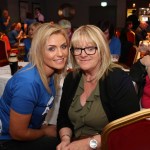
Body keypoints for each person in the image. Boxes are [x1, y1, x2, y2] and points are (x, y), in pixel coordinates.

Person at [57, 25, 140, 150]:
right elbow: (63, 118)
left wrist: (89, 144)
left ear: (101, 49)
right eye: (78, 49)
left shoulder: (118, 80)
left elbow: (128, 130)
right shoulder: (72, 78)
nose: (83, 54)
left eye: (90, 48)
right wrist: (65, 139)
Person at [0, 23, 69, 150]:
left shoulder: (52, 74)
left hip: (29, 132)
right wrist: (44, 131)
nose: (61, 53)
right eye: (51, 48)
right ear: (39, 50)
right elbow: (17, 133)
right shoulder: (28, 83)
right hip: (8, 141)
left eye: (63, 46)